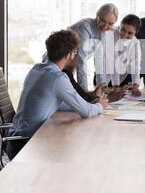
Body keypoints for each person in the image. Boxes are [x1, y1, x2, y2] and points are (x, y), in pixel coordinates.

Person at [7, 29, 108, 159]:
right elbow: (87, 112)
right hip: (27, 144)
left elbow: (57, 104)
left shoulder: (37, 69)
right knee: (75, 151)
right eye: (75, 52)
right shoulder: (57, 78)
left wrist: (83, 104)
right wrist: (100, 106)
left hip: (16, 139)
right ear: (69, 54)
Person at [68, 3, 119, 90]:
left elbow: (99, 59)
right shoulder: (85, 27)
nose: (105, 27)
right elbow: (81, 61)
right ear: (97, 15)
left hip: (70, 65)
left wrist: (102, 87)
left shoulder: (105, 33)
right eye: (103, 20)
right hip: (57, 64)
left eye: (110, 24)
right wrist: (84, 92)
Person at [95, 14, 142, 96]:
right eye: (123, 29)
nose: (125, 35)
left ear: (135, 33)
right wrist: (115, 86)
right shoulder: (108, 35)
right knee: (100, 95)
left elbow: (136, 65)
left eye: (130, 33)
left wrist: (136, 84)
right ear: (120, 24)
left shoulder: (135, 43)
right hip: (104, 75)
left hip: (122, 77)